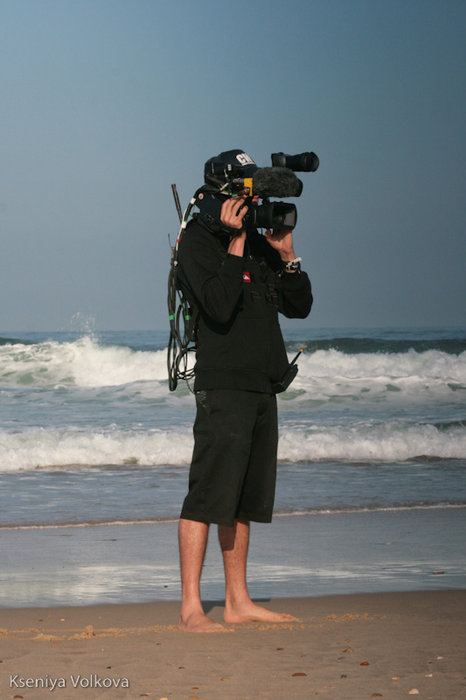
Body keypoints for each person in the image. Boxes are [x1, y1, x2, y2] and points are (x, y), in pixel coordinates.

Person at [176, 149, 313, 632]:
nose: (247, 200)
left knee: (242, 500)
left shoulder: (257, 243)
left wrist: (286, 255)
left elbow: (300, 308)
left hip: (261, 386)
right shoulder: (197, 241)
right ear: (221, 193)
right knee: (208, 495)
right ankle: (191, 608)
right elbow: (215, 304)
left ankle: (238, 601)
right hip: (223, 386)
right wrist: (235, 243)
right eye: (241, 190)